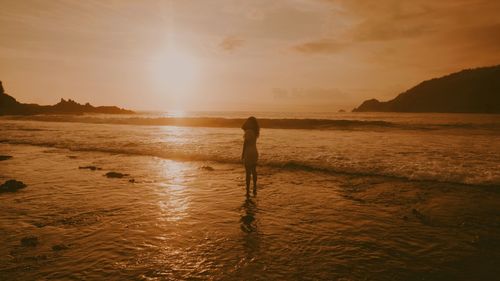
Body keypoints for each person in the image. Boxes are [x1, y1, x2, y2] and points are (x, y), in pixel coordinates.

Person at [241, 116, 259, 195]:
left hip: (248, 152)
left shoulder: (248, 132)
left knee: (248, 173)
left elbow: (245, 144)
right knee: (254, 170)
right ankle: (255, 187)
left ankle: (248, 190)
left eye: (248, 121)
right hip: (255, 152)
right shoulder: (255, 132)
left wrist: (242, 154)